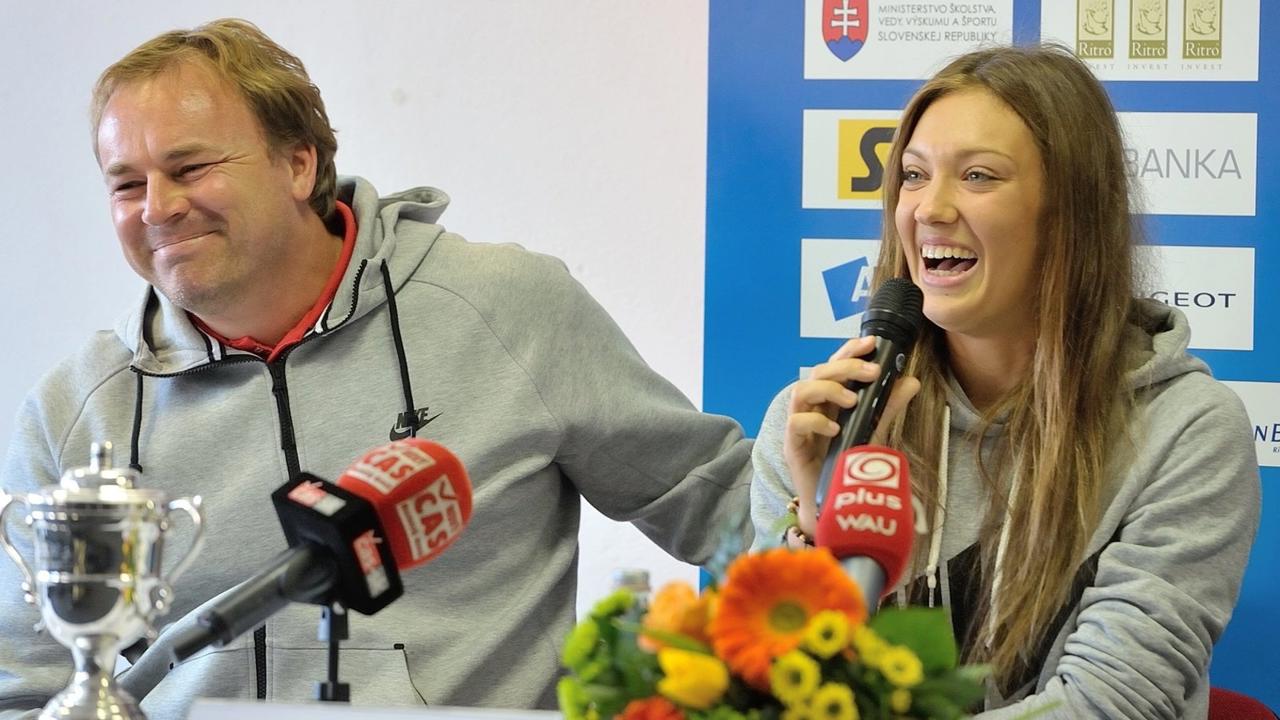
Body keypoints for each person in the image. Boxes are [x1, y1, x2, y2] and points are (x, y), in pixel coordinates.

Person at [0, 19, 753, 718]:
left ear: (299, 164)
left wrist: (813, 494)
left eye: (189, 167)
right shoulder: (76, 410)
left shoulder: (510, 310)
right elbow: (23, 686)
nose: (157, 207)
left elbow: (724, 507)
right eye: (126, 184)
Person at [750, 44, 1259, 718]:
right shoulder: (824, 419)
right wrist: (819, 525)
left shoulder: (1186, 431)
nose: (929, 209)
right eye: (912, 174)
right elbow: (766, 693)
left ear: (1070, 213)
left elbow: (1109, 706)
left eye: (979, 177)